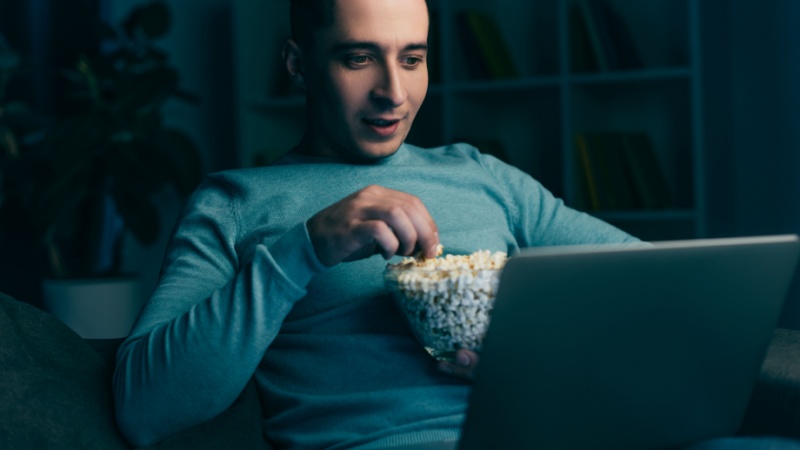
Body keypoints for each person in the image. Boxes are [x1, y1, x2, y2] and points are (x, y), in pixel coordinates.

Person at [113, 1, 800, 449]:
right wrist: (301, 251)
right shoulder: (234, 202)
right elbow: (146, 406)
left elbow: (660, 289)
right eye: (359, 57)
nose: (393, 91)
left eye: (413, 57)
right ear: (298, 64)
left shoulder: (480, 174)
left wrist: (535, 361)